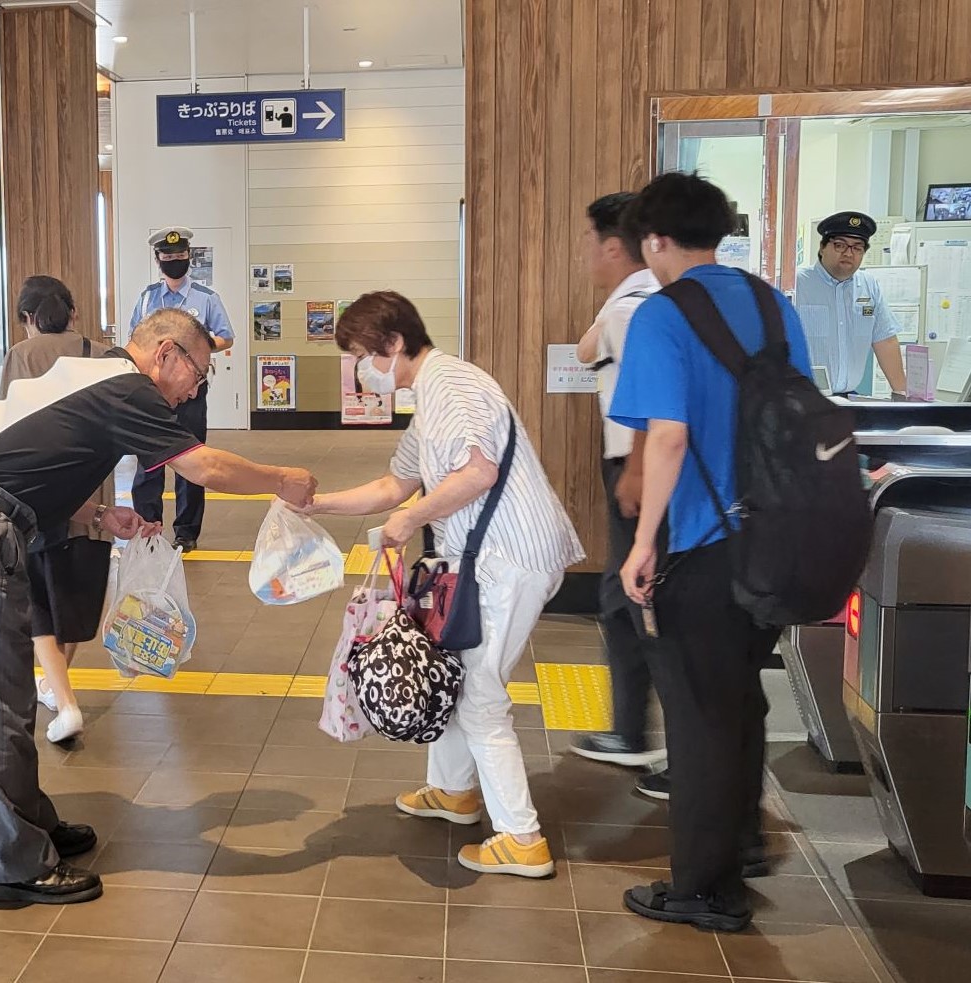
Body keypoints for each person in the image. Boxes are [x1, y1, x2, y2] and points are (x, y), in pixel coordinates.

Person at [0, 307, 316, 905]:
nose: (195, 390)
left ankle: (30, 826)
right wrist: (281, 476)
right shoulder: (129, 386)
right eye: (199, 375)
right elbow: (201, 465)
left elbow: (21, 464)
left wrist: (101, 515)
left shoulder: (91, 375)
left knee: (12, 697)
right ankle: (13, 866)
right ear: (167, 353)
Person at [304, 291, 584, 879]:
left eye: (361, 355)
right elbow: (394, 484)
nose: (359, 369)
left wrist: (410, 520)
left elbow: (478, 472)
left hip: (509, 559)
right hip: (484, 562)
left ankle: (520, 838)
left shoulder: (451, 386)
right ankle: (453, 790)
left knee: (480, 696)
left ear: (394, 344)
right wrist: (315, 505)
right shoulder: (428, 396)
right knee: (457, 674)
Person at [611, 172, 814, 932]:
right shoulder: (772, 302)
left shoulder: (665, 315)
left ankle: (704, 889)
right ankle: (744, 844)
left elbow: (667, 435)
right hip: (777, 539)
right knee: (741, 698)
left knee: (697, 717)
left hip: (702, 545)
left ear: (655, 240)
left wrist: (641, 542)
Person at [571, 193, 669, 788]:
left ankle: (658, 743)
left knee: (641, 600)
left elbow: (650, 403)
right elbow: (586, 351)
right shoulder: (634, 305)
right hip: (637, 468)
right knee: (621, 597)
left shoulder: (633, 312)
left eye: (591, 240)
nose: (587, 252)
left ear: (613, 246)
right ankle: (630, 729)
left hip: (639, 470)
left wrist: (634, 472)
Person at [0, 275, 113, 744]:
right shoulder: (102, 353)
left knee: (40, 604)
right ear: (74, 313)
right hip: (93, 492)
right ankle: (56, 686)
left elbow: (6, 424)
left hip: (38, 492)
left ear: (28, 318)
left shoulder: (21, 356)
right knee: (72, 595)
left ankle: (63, 700)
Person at [129, 227, 235, 553]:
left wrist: (196, 345)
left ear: (189, 257)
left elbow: (226, 336)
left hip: (190, 391)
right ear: (158, 259)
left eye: (180, 256)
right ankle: (147, 525)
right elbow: (135, 338)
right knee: (149, 462)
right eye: (168, 256)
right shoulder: (148, 298)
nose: (174, 261)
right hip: (152, 392)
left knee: (190, 460)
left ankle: (186, 532)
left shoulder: (206, 298)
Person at [795, 211, 907, 397]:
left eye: (857, 247)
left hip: (849, 399)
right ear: (822, 247)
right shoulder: (796, 284)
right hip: (804, 400)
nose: (849, 253)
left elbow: (885, 341)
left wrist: (903, 395)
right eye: (840, 245)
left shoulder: (869, 286)